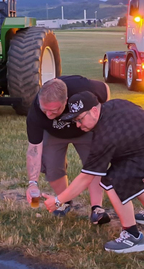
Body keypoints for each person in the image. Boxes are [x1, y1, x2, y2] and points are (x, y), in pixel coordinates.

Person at [43, 92, 144, 254]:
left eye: (79, 119)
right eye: (75, 120)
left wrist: (58, 200)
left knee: (112, 182)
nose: (77, 125)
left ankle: (133, 237)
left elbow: (86, 178)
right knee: (125, 172)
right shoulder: (114, 105)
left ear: (94, 111)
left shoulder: (105, 135)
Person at [26, 76, 111, 224]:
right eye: (44, 110)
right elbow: (34, 148)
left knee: (94, 166)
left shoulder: (81, 87)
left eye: (53, 110)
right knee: (52, 167)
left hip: (84, 130)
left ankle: (97, 208)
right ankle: (63, 200)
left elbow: (105, 90)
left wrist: (99, 119)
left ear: (66, 101)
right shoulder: (36, 111)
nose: (48, 115)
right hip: (54, 134)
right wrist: (32, 183)